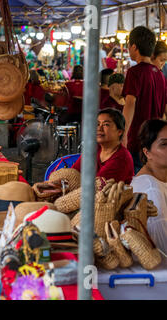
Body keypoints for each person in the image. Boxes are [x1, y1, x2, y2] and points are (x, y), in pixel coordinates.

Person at [121, 26, 167, 174]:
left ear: (134, 47)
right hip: (155, 140)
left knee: (136, 182)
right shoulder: (159, 75)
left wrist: (123, 133)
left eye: (128, 46)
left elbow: (130, 104)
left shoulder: (134, 72)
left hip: (137, 138)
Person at [130, 119, 167, 254]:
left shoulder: (160, 177)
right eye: (164, 144)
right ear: (147, 153)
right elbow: (162, 246)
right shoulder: (151, 190)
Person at [72, 108, 134, 184]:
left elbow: (98, 186)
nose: (99, 128)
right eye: (97, 124)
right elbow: (74, 172)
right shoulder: (94, 149)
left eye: (106, 124)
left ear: (119, 132)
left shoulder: (122, 158)